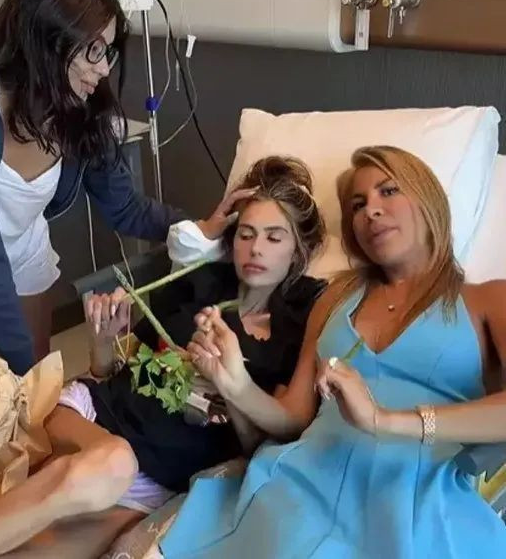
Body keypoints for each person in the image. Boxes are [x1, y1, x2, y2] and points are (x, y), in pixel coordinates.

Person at [0, 155, 327, 559]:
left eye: (274, 238)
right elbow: (110, 371)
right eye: (246, 234)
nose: (256, 249)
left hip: (157, 478)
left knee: (41, 548)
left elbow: (259, 444)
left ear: (298, 251)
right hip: (95, 417)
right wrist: (103, 340)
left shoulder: (293, 331)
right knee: (113, 462)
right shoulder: (198, 282)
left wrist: (229, 383)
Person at [161, 145, 506, 559]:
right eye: (357, 205)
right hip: (304, 481)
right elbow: (293, 417)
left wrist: (385, 420)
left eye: (388, 191)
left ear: (427, 198)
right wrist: (235, 383)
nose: (370, 211)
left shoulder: (489, 300)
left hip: (415, 499)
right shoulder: (336, 297)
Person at [0, 0, 232, 377]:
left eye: (108, 52)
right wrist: (35, 386)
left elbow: (126, 208)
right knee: (5, 386)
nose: (102, 70)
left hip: (24, 250)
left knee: (36, 375)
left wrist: (199, 229)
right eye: (93, 50)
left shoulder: (79, 108)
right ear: (44, 39)